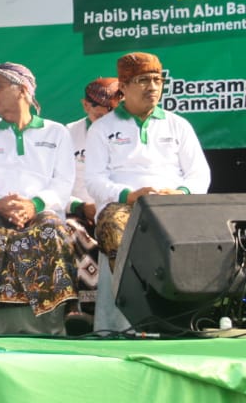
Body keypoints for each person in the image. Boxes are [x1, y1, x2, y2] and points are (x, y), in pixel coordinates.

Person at [0, 63, 77, 331]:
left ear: (23, 90)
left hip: (41, 211)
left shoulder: (56, 132)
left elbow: (63, 183)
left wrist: (33, 205)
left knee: (52, 230)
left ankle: (68, 310)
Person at [85, 52, 211, 271]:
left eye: (157, 80)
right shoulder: (101, 128)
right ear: (123, 87)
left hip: (172, 204)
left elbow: (200, 174)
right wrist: (129, 195)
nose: (152, 87)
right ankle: (135, 296)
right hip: (124, 206)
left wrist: (180, 193)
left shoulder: (178, 125)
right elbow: (94, 180)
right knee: (113, 225)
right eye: (143, 80)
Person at [62, 77, 122, 308]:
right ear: (86, 105)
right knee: (74, 232)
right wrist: (80, 206)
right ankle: (85, 308)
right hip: (79, 210)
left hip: (117, 208)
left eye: (113, 112)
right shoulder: (66, 135)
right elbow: (56, 183)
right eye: (99, 113)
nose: (106, 119)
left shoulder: (127, 133)